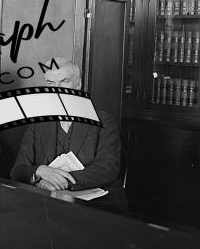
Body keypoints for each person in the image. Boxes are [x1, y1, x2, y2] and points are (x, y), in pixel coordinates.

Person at [10, 57, 126, 211]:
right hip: (47, 202)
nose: (56, 89)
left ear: (78, 84)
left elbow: (107, 168)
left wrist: (57, 182)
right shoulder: (38, 123)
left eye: (64, 81)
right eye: (50, 83)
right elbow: (18, 171)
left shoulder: (103, 121)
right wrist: (40, 171)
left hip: (95, 204)